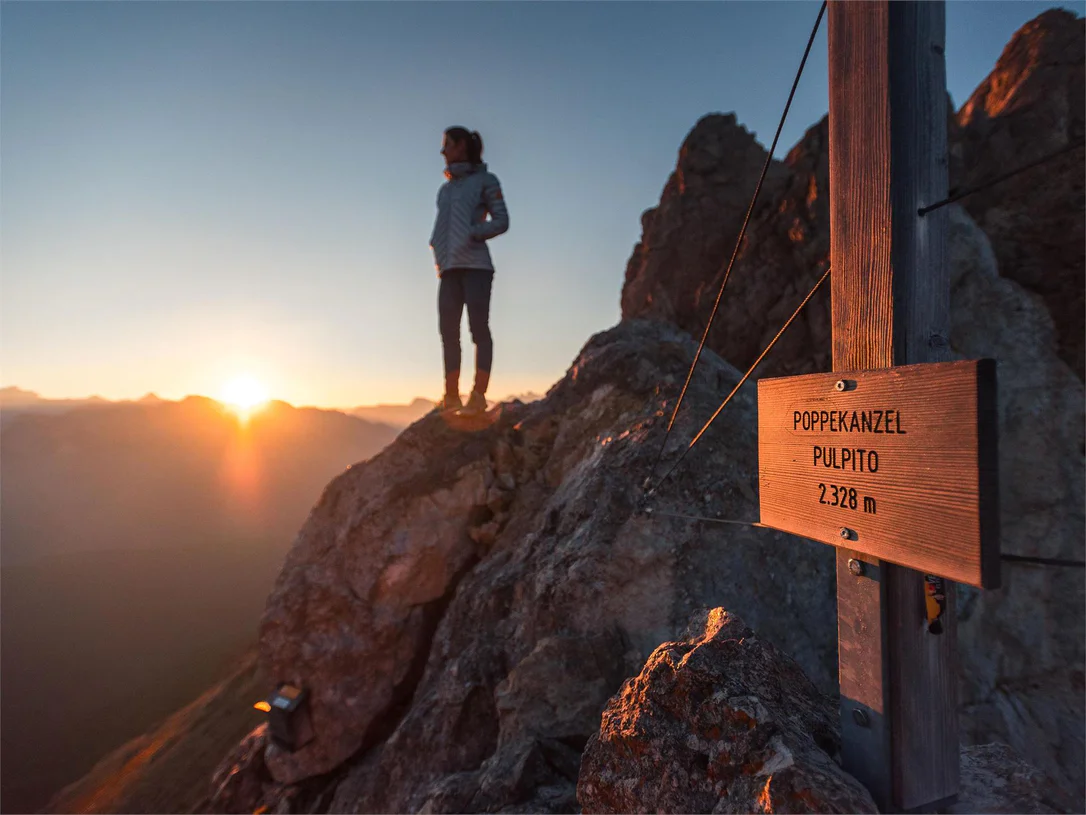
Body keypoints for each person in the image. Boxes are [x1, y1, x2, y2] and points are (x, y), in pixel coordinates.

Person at [429, 126, 509, 413]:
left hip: (476, 267)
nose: (443, 151)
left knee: (478, 330)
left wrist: (473, 233)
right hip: (448, 269)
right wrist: (437, 247)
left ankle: (478, 396)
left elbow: (502, 220)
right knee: (448, 333)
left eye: (447, 145)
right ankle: (451, 396)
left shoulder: (486, 181)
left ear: (461, 146)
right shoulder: (446, 190)